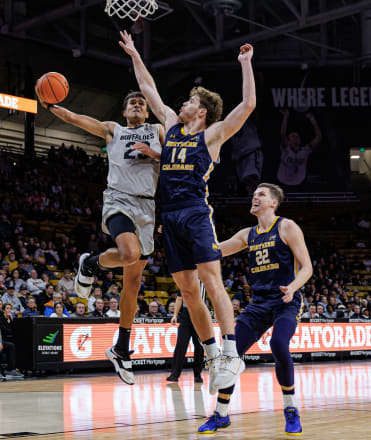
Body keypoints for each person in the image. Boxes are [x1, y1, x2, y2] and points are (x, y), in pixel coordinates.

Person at [119, 30, 255, 392]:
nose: (182, 104)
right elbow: (149, 89)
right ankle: (211, 355)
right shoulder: (171, 127)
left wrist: (246, 64)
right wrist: (134, 54)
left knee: (211, 280)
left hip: (195, 212)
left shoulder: (211, 136)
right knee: (189, 291)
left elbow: (248, 106)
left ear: (203, 111)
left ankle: (230, 352)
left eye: (190, 101)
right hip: (169, 216)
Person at [37, 80, 165, 386]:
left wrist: (154, 153)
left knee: (132, 283)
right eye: (132, 102)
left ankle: (121, 349)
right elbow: (76, 119)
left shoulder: (159, 132)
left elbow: (175, 162)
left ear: (147, 111)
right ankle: (90, 263)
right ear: (123, 111)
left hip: (148, 207)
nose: (137, 104)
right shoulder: (113, 130)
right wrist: (51, 105)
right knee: (129, 253)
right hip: (119, 200)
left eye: (141, 103)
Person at [198, 184, 312, 436]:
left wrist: (292, 288)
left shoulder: (287, 227)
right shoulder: (247, 234)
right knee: (231, 356)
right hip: (258, 304)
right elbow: (215, 250)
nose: (255, 197)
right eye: (254, 194)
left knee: (279, 345)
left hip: (285, 300)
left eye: (261, 194)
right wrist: (183, 236)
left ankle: (291, 409)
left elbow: (307, 268)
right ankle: (221, 415)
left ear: (274, 202)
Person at [277, 109, 322, 188]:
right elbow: (282, 134)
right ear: (288, 141)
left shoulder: (305, 151)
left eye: (297, 136)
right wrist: (286, 116)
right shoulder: (285, 149)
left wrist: (312, 119)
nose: (295, 138)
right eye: (293, 136)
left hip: (299, 183)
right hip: (282, 182)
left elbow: (318, 137)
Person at [167, 295, 204, 383]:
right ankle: (174, 374)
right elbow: (179, 299)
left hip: (199, 314)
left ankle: (198, 374)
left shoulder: (205, 282)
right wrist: (175, 315)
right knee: (181, 345)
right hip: (185, 316)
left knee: (199, 347)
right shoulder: (185, 281)